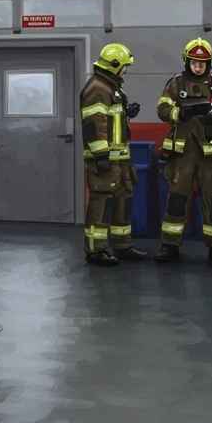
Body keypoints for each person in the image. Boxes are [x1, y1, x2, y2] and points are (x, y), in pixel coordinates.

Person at [154, 38, 212, 265]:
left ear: (209, 63)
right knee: (177, 199)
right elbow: (162, 108)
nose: (198, 67)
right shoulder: (176, 83)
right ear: (187, 61)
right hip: (182, 154)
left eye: (202, 63)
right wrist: (178, 114)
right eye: (194, 62)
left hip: (211, 155)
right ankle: (169, 245)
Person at [80, 43, 149, 266]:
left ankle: (122, 245)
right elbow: (93, 125)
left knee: (123, 201)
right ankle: (95, 250)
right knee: (102, 204)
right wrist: (100, 156)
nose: (126, 71)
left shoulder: (111, 88)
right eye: (124, 66)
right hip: (106, 160)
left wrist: (127, 113)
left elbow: (111, 121)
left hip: (120, 160)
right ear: (115, 65)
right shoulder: (98, 88)